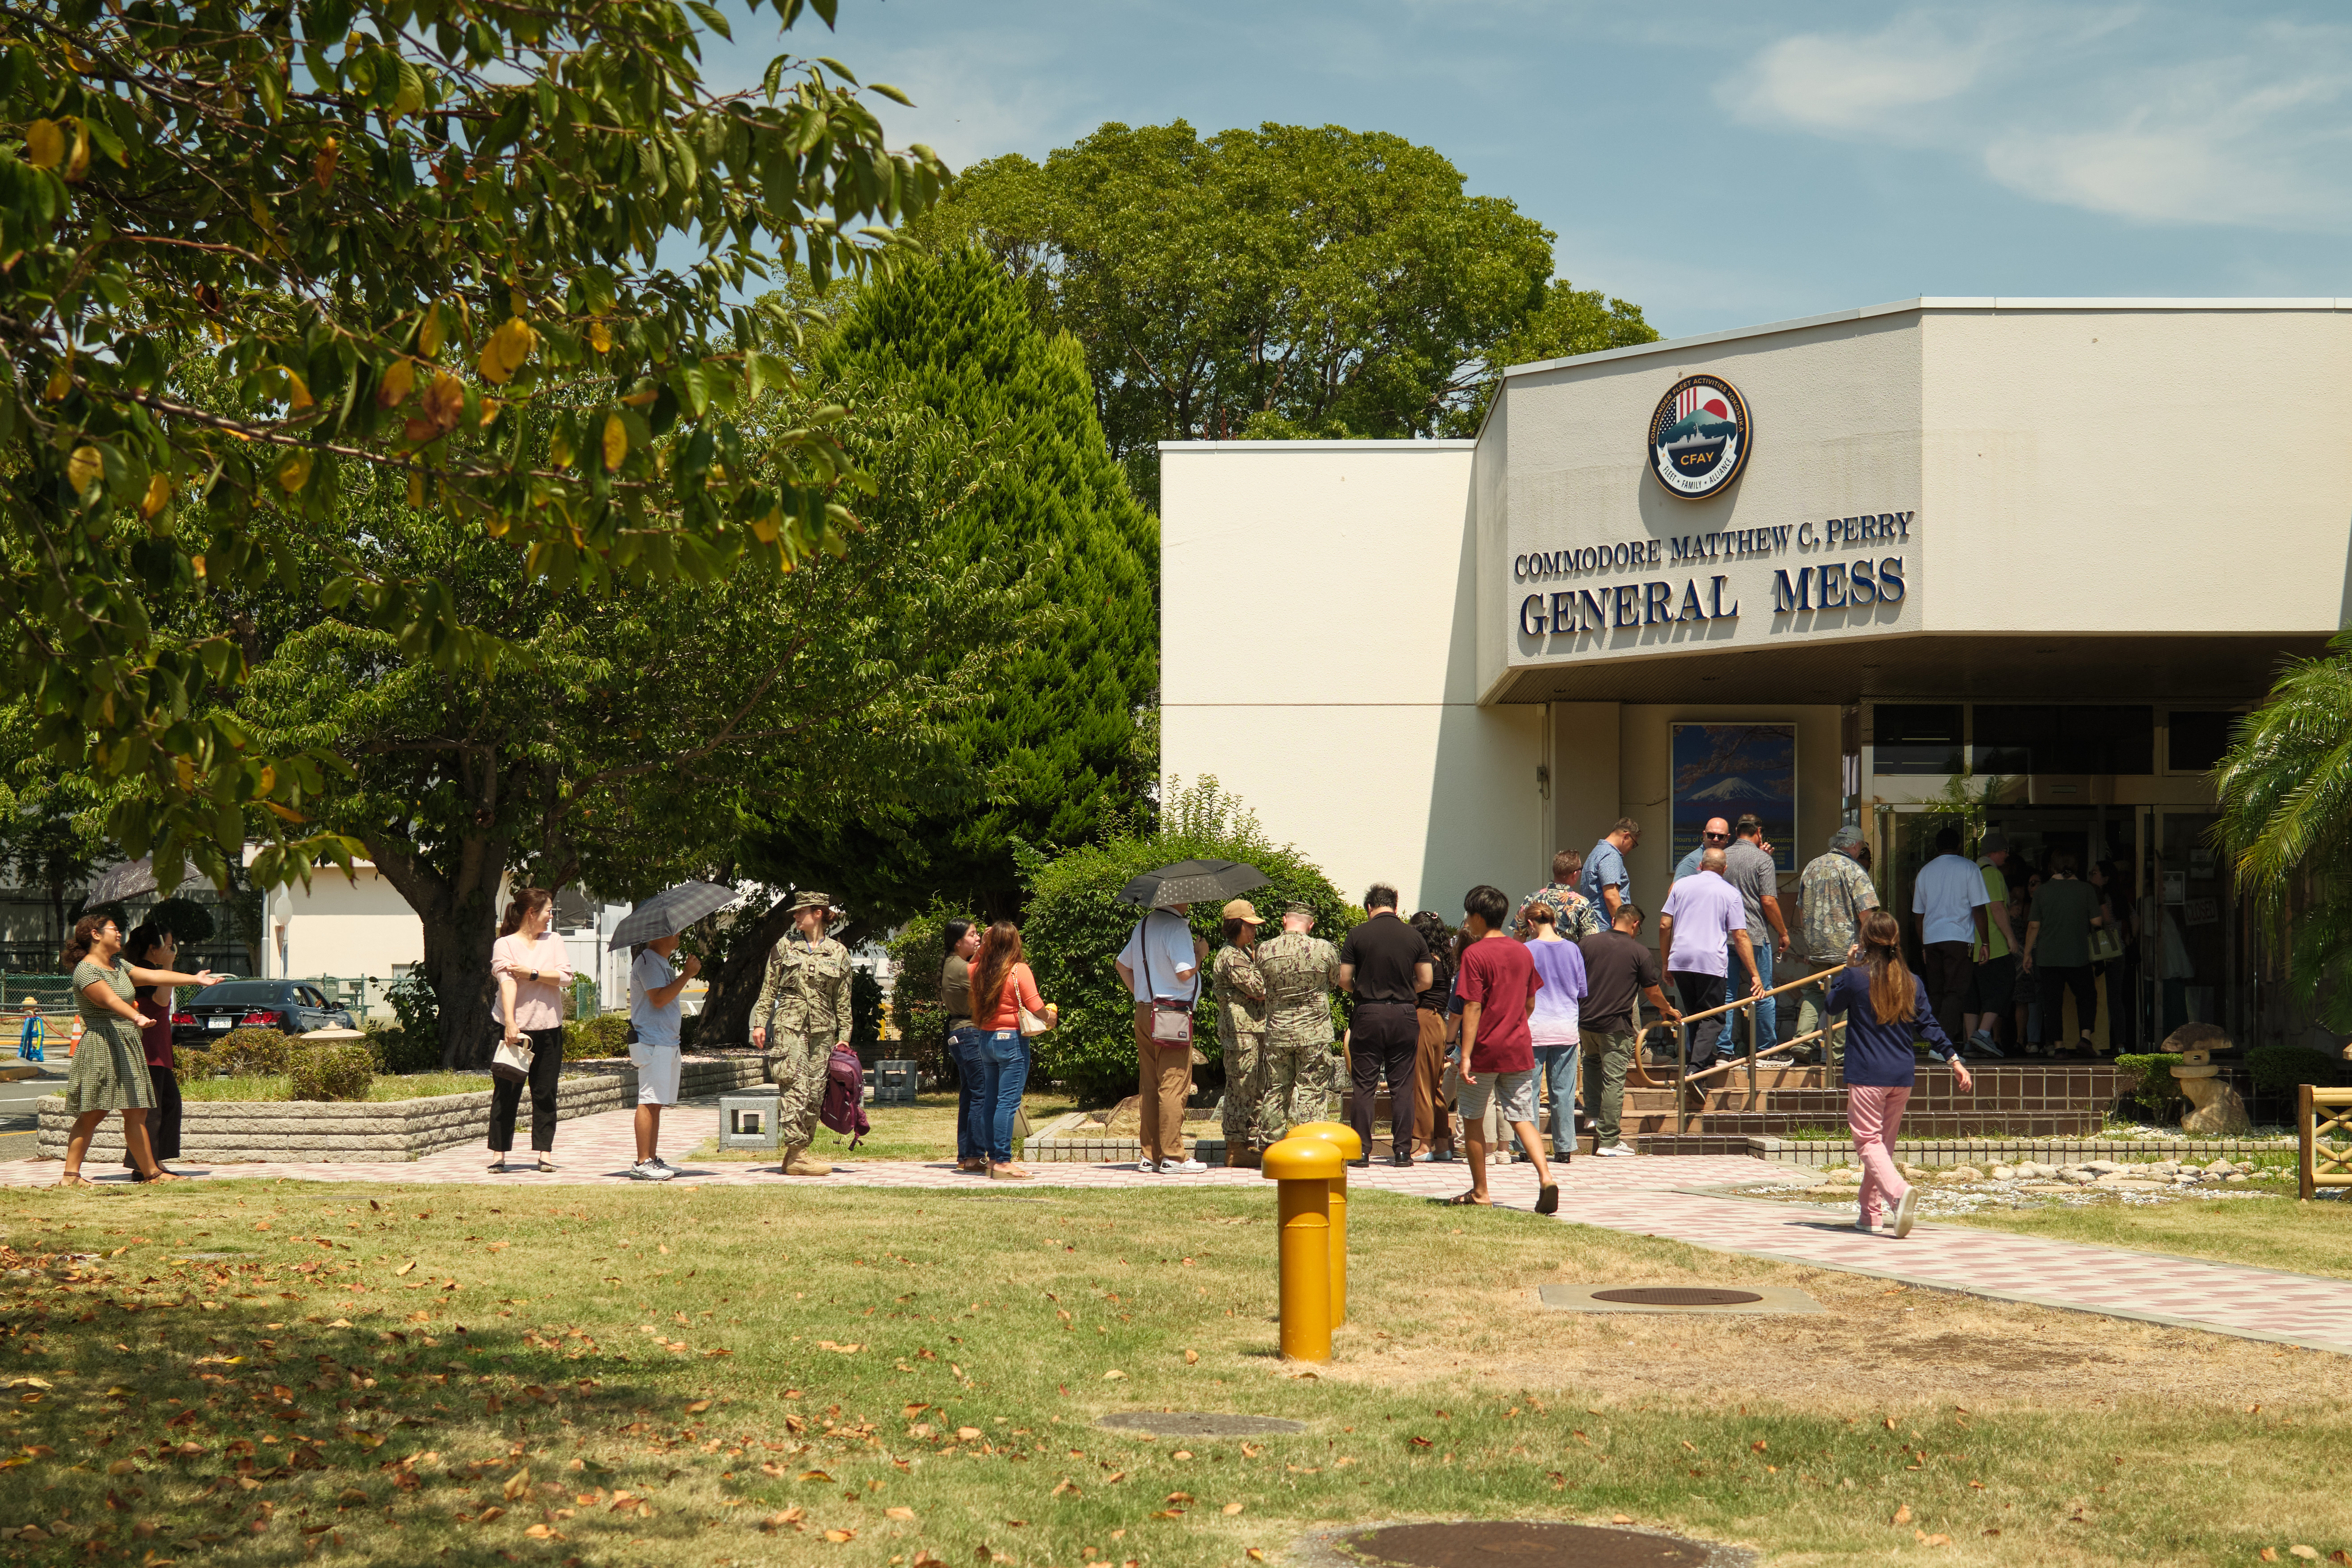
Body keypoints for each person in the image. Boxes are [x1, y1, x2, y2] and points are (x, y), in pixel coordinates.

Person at [1825, 909, 1974, 1236]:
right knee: (1882, 1148)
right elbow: (1929, 1025)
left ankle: (1897, 1194)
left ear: (1865, 941)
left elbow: (1831, 1005)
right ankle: (1870, 1214)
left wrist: (1848, 967)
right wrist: (1954, 1059)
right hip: (1901, 1075)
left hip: (1867, 1073)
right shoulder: (1911, 980)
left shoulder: (1855, 976)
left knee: (1867, 1141)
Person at [55, 914, 219, 1186]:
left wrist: (194, 979)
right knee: (94, 1113)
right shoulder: (86, 970)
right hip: (102, 1044)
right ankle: (70, 1176)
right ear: (96, 935)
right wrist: (136, 1017)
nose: (120, 934)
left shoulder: (118, 964)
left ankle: (151, 1173)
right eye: (114, 929)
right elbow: (108, 999)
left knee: (137, 1111)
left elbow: (154, 975)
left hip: (127, 1042)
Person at [1448, 884, 1558, 1213]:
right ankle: (1546, 1176)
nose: (1467, 921)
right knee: (1523, 1117)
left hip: (1484, 1050)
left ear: (1479, 917)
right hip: (1519, 1048)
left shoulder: (1475, 954)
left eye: (1469, 915)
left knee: (1472, 1118)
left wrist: (1465, 1055)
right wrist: (1514, 1023)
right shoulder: (1522, 951)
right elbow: (1530, 1002)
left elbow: (1472, 1007)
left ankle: (1481, 1191)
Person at [751, 890, 854, 1177]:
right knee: (794, 1086)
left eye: (801, 911)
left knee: (815, 1092)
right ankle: (796, 1152)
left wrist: (845, 1035)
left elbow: (843, 999)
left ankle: (798, 1154)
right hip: (790, 1027)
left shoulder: (838, 952)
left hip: (824, 1031)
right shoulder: (784, 947)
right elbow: (768, 988)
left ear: (818, 913)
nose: (795, 915)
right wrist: (760, 1022)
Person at [1338, 883, 1432, 1167]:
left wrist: (1363, 990)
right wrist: (1405, 991)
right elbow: (1426, 980)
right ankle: (1402, 1151)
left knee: (1364, 1084)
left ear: (1369, 907)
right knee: (1402, 1085)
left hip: (1368, 1012)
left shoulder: (1357, 934)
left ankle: (1362, 1150)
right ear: (1395, 904)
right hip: (1404, 1014)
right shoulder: (1413, 936)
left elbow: (1344, 978)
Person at [1578, 902, 1679, 1155]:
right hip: (1615, 1025)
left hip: (1585, 1022)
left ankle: (1592, 1115)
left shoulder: (1587, 944)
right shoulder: (1639, 951)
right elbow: (1653, 992)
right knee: (1613, 1080)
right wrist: (1668, 1009)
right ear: (1635, 924)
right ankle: (1609, 1141)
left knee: (1591, 1064)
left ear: (1615, 919)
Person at [1116, 899, 1209, 1173]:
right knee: (1174, 1082)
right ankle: (1173, 1157)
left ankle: (1150, 1155)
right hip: (1171, 1014)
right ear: (1176, 898)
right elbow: (1184, 973)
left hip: (1145, 1011)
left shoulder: (1143, 925)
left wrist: (1141, 996)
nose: (1191, 901)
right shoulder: (1177, 928)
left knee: (1150, 1084)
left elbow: (1122, 966)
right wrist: (1199, 953)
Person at [489, 887, 574, 1174]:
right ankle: (499, 1155)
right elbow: (507, 983)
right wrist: (512, 1024)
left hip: (549, 1028)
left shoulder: (554, 941)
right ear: (531, 913)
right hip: (515, 1029)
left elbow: (565, 977)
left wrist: (533, 974)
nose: (551, 917)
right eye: (548, 911)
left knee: (545, 1092)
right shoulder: (505, 945)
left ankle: (545, 1153)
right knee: (506, 1091)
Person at [1657, 846, 1760, 1075]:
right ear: (1725, 869)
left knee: (1695, 1015)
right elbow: (1740, 935)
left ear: (1700, 866)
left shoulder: (1680, 886)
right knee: (1713, 1017)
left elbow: (1665, 925)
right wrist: (1754, 974)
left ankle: (1697, 1063)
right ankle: (1695, 1070)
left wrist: (1665, 963)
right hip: (1710, 963)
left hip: (1680, 960)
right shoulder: (1730, 893)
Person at [967, 920, 1055, 1180]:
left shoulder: (979, 970)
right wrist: (1049, 1017)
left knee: (990, 1102)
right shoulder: (1019, 970)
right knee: (1007, 1103)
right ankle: (1004, 1162)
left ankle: (993, 1160)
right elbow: (1036, 1005)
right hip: (1012, 1041)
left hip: (986, 1039)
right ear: (1015, 942)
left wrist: (982, 947)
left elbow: (970, 964)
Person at [1252, 904, 1341, 1157]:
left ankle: (1271, 1147)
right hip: (1314, 1033)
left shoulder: (1264, 950)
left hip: (1277, 1033)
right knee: (1312, 1089)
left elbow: (1260, 985)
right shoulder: (1324, 949)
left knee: (1276, 1089)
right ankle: (1312, 1145)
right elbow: (1335, 980)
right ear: (1310, 925)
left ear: (1284, 920)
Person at [1793, 824, 1878, 1059]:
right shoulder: (1855, 870)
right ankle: (1837, 1054)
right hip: (1847, 949)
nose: (1861, 850)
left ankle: (1802, 1041)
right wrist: (1869, 946)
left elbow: (1802, 910)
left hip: (1817, 947)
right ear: (1854, 845)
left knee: (1814, 993)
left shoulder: (1811, 866)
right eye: (1861, 846)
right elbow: (1867, 914)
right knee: (1846, 993)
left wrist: (1809, 943)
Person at [121, 924, 199, 1176]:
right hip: (147, 1046)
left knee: (169, 1103)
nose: (172, 950)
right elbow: (161, 1001)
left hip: (159, 1046)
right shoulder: (142, 972)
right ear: (154, 949)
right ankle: (144, 1167)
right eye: (168, 945)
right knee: (152, 1110)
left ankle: (153, 1161)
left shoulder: (153, 969)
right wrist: (169, 964)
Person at [626, 930, 700, 1180]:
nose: (679, 935)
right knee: (648, 1101)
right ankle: (642, 1161)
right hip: (652, 1042)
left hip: (665, 1042)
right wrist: (687, 975)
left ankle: (652, 1158)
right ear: (658, 935)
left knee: (656, 1103)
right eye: (673, 932)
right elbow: (658, 999)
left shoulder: (659, 962)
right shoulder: (647, 961)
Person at [1910, 825, 1991, 1051]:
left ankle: (1935, 1040)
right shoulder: (1969, 868)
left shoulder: (1925, 872)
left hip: (1932, 939)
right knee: (1955, 991)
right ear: (1958, 846)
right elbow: (1979, 909)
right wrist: (1985, 942)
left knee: (1936, 992)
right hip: (1959, 939)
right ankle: (1942, 1047)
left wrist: (1924, 945)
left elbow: (1918, 914)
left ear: (1936, 847)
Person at [1522, 902, 1588, 1163]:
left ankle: (1527, 1148)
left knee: (1528, 1091)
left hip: (1533, 1028)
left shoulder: (1527, 950)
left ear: (1530, 924)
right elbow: (1581, 991)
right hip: (1565, 1027)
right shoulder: (1573, 950)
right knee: (1564, 1092)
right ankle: (1564, 1148)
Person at [2024, 852, 2105, 1057]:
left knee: (2052, 1003)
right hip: (2078, 955)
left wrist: (2027, 954)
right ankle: (2085, 1038)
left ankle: (2058, 1046)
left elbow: (2034, 925)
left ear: (2052, 868)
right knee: (2087, 996)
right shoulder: (2086, 889)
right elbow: (2097, 922)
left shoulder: (2042, 892)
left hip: (2048, 957)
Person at [1722, 815, 1789, 1053]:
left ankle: (1724, 1050)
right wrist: (1783, 932)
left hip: (1725, 936)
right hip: (1754, 936)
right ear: (1759, 832)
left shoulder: (1722, 857)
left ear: (1737, 831)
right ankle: (1765, 1049)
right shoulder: (1763, 859)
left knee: (1727, 995)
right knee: (1762, 993)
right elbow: (1769, 901)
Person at [1212, 900, 1268, 1168]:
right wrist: (1260, 984)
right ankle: (1235, 1147)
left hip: (1251, 1028)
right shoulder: (1231, 956)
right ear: (1237, 925)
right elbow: (1259, 987)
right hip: (1240, 1031)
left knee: (1256, 1086)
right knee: (1241, 1086)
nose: (1254, 931)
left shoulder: (1244, 953)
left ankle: (1248, 1142)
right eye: (1250, 926)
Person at [1963, 832, 2020, 1056]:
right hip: (1993, 944)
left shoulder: (1970, 871)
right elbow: (1996, 908)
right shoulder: (1991, 874)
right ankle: (1983, 1034)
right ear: (1994, 852)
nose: (2007, 855)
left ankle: (1970, 1041)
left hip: (1970, 942)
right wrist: (2010, 937)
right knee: (2004, 983)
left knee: (1973, 993)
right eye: (2004, 851)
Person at [1407, 911, 1459, 1162]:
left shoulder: (1426, 961)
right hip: (1439, 1021)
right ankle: (1442, 1145)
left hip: (1424, 1020)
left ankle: (1424, 1145)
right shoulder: (1445, 958)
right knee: (1435, 1086)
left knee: (1422, 1085)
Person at [940, 920, 982, 1173]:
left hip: (962, 1034)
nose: (977, 939)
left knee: (970, 1094)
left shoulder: (956, 964)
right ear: (958, 942)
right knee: (981, 1093)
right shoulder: (960, 968)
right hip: (969, 1034)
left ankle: (966, 1156)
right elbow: (992, 986)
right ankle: (975, 1155)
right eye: (973, 935)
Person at [1520, 850, 1605, 939]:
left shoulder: (1532, 899)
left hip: (1538, 952)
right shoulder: (1582, 903)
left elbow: (1519, 936)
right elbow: (1590, 941)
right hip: (1570, 952)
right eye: (1581, 869)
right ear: (1575, 874)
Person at [1579, 818, 1640, 921]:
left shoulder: (1597, 852)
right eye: (1633, 845)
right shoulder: (1610, 855)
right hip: (1607, 929)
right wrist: (1623, 926)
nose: (1631, 849)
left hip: (1593, 926)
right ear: (1626, 836)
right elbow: (1611, 895)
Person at [1671, 818, 1732, 885]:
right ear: (1704, 835)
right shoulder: (1691, 862)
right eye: (1711, 835)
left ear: (1727, 838)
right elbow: (1675, 891)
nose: (1716, 839)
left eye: (1721, 837)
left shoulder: (1730, 858)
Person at [17, 995, 46, 1063]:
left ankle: (34, 1050)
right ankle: (26, 1052)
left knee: (38, 1035)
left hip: (32, 1020)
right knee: (27, 1037)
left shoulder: (36, 1019)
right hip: (30, 1020)